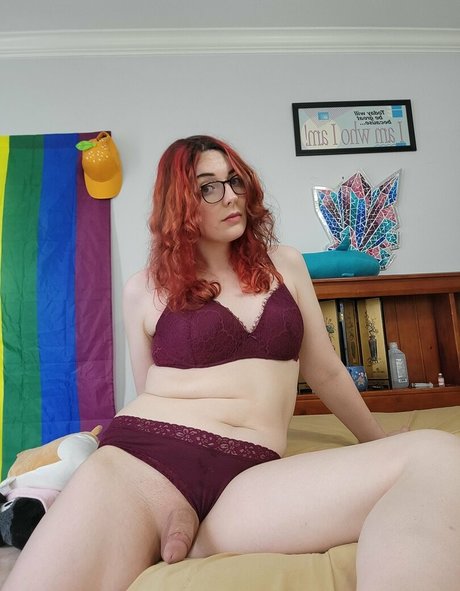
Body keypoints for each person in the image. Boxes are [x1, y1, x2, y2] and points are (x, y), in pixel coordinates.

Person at [3, 135, 460, 591]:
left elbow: (324, 370)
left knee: (435, 454)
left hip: (252, 472)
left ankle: (190, 527)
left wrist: (375, 439)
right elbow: (147, 390)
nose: (230, 196)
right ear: (180, 202)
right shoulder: (143, 288)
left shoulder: (285, 264)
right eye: (208, 187)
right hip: (146, 462)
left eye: (234, 181)